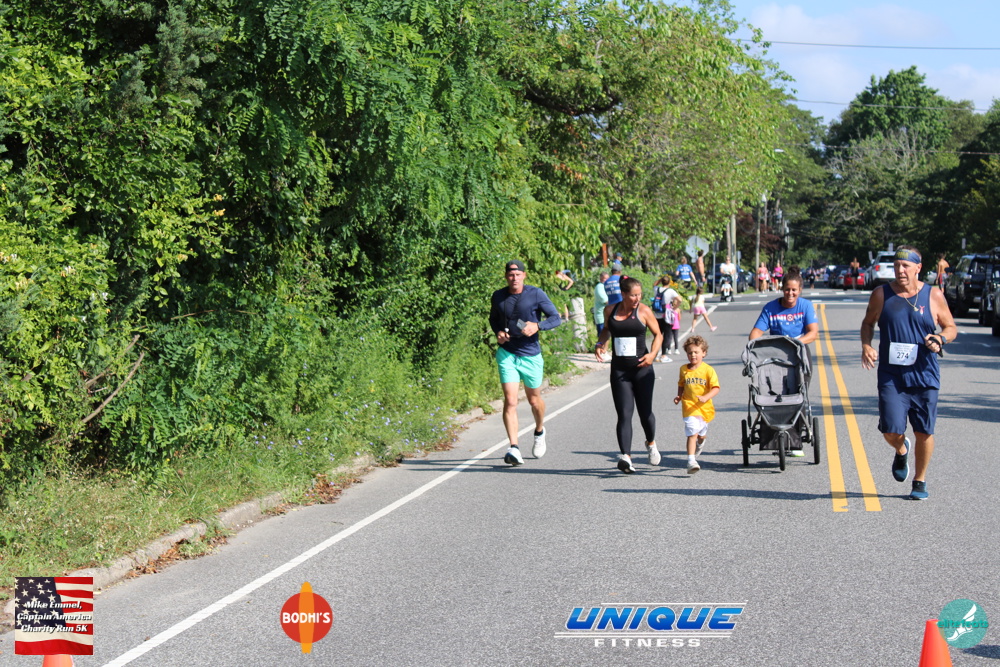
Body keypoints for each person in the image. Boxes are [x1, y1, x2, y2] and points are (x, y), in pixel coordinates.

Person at [861, 246, 956, 500]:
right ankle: (901, 449)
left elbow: (950, 327)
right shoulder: (881, 294)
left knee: (924, 431)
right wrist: (867, 345)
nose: (900, 270)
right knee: (890, 430)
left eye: (905, 266)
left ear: (918, 268)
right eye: (896, 266)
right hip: (892, 376)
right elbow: (868, 323)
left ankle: (920, 480)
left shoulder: (933, 295)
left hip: (925, 374)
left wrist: (940, 338)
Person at [489, 260, 562, 466]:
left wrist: (538, 326)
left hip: (530, 354)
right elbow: (493, 319)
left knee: (534, 400)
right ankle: (514, 447)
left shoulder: (535, 294)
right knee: (510, 400)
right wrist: (498, 332)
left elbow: (555, 318)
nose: (514, 278)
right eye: (511, 275)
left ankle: (539, 431)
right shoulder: (498, 296)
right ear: (506, 276)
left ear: (524, 275)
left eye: (518, 274)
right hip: (507, 353)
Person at [594, 277, 663, 473]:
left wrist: (652, 355)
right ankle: (626, 456)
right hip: (620, 370)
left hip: (642, 370)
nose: (637, 298)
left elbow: (658, 335)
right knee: (624, 414)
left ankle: (651, 443)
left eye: (639, 294)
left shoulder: (644, 311)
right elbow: (606, 330)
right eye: (633, 295)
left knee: (645, 413)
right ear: (623, 294)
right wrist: (600, 344)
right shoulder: (611, 310)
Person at [749, 269, 819, 456]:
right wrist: (753, 346)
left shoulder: (805, 306)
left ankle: (795, 440)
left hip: (799, 353)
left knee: (798, 392)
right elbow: (756, 332)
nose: (790, 293)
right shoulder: (771, 308)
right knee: (774, 393)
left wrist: (795, 343)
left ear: (800, 290)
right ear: (782, 289)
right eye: (787, 289)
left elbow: (813, 333)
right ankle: (773, 437)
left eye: (794, 290)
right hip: (776, 356)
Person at [673, 335, 720, 474]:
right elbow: (681, 384)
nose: (693, 355)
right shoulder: (683, 369)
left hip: (704, 408)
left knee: (701, 435)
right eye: (690, 352)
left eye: (696, 352)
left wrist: (706, 397)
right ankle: (691, 461)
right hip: (689, 406)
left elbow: (716, 388)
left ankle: (700, 442)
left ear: (703, 353)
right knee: (692, 432)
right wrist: (679, 396)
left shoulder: (708, 370)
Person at [652, 275, 679, 362]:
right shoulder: (670, 291)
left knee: (657, 335)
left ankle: (654, 355)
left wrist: (660, 279)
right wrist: (675, 307)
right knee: (667, 336)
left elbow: (654, 284)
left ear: (662, 282)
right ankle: (663, 355)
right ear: (669, 282)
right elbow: (680, 299)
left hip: (657, 316)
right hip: (667, 316)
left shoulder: (657, 289)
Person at [593, 271, 609, 337]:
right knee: (602, 337)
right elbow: (606, 301)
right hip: (601, 317)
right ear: (601, 279)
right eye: (605, 278)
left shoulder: (605, 286)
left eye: (608, 278)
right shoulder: (599, 287)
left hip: (606, 317)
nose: (607, 280)